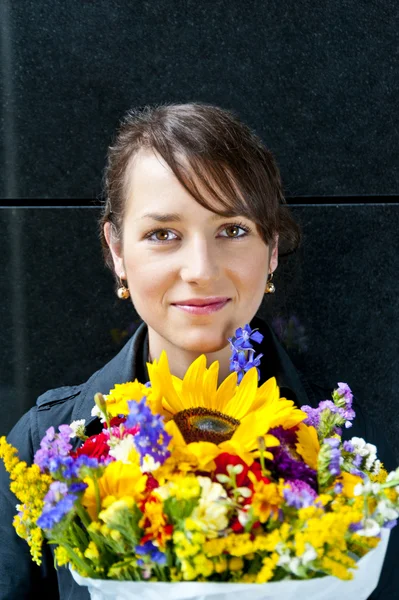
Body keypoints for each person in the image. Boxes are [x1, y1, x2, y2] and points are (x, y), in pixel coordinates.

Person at [0, 103, 397, 599]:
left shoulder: (357, 447)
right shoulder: (42, 446)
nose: (201, 270)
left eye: (232, 230)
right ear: (118, 251)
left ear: (271, 248)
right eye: (163, 234)